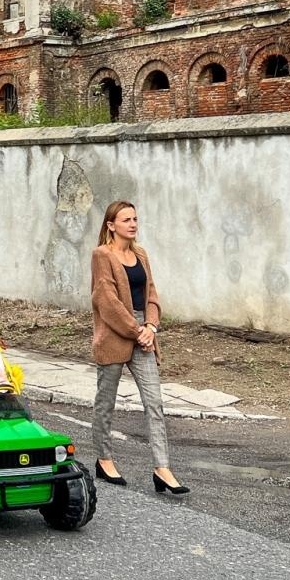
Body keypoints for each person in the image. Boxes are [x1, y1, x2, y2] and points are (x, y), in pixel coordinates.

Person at [91, 200, 189, 495]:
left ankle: (162, 468)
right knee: (106, 402)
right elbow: (106, 301)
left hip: (143, 331)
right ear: (111, 225)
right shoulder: (101, 255)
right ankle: (104, 459)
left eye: (135, 219)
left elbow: (152, 294)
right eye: (126, 220)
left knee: (154, 403)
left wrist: (151, 326)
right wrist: (137, 331)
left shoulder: (141, 254)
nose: (133, 224)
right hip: (115, 333)